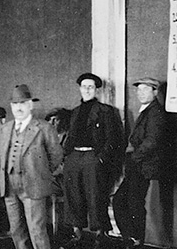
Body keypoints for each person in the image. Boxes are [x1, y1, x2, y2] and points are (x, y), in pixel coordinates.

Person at [0, 85, 63, 249]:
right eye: (15, 104)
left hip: (34, 185)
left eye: (23, 103)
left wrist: (41, 174)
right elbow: (1, 155)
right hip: (9, 186)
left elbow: (56, 155)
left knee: (37, 231)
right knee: (16, 231)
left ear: (30, 105)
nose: (18, 107)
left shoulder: (44, 128)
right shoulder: (5, 129)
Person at [62, 73, 124, 248]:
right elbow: (71, 137)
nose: (87, 90)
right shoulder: (75, 112)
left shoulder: (106, 111)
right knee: (73, 195)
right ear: (80, 89)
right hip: (74, 157)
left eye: (90, 87)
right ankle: (77, 234)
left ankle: (100, 235)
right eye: (84, 86)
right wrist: (67, 155)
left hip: (93, 158)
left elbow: (113, 140)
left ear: (96, 89)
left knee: (95, 196)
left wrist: (101, 159)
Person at [113, 77, 167, 249]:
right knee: (122, 201)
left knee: (133, 203)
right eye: (139, 89)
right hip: (137, 165)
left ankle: (136, 240)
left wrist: (133, 155)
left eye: (146, 89)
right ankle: (132, 238)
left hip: (142, 166)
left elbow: (152, 141)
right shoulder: (147, 110)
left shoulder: (155, 112)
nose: (140, 93)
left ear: (155, 92)